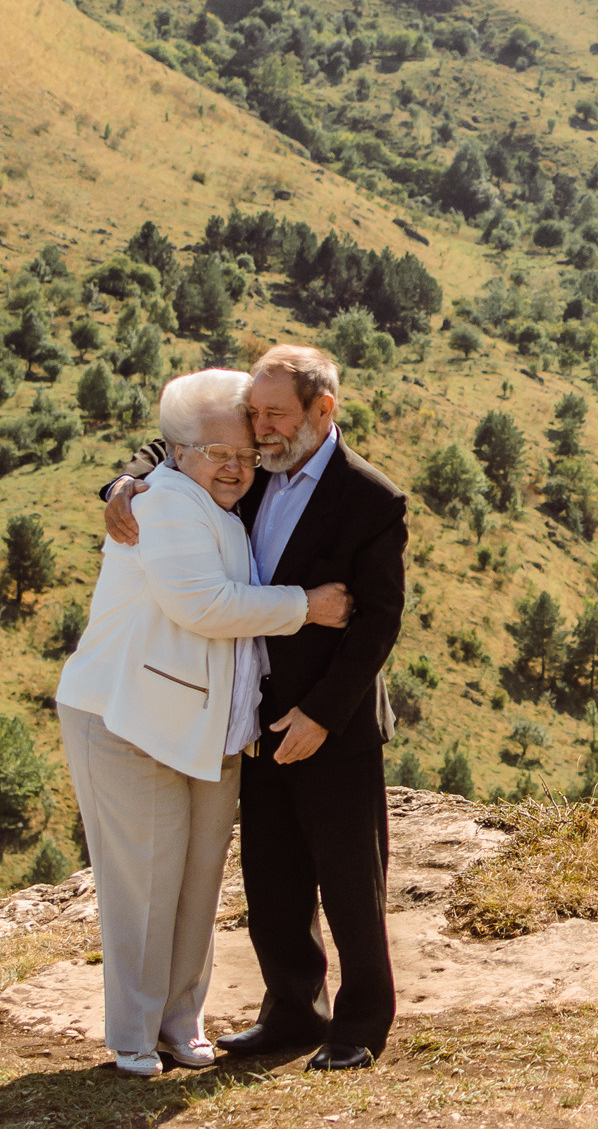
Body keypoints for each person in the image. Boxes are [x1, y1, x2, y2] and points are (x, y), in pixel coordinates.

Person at [103, 343, 408, 1071]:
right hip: (256, 717)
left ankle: (360, 1026)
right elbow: (171, 451)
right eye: (253, 414)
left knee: (350, 883)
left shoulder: (371, 497)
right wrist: (126, 479)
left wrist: (323, 716)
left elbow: (378, 623)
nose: (259, 429)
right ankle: (292, 1014)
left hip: (333, 725)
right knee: (274, 882)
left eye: (275, 414)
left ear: (322, 410)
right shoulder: (253, 469)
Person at [55, 368, 352, 1078]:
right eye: (219, 454)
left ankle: (180, 1023)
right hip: (127, 717)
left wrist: (131, 474)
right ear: (177, 451)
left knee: (195, 885)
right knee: (142, 885)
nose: (237, 467)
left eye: (246, 455)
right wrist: (306, 606)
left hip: (209, 730)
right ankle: (131, 1034)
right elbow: (203, 605)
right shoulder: (162, 502)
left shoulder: (223, 499)